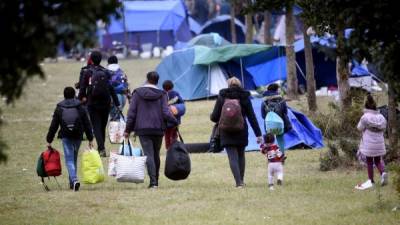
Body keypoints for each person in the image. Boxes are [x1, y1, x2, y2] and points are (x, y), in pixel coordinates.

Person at [124, 71, 178, 188]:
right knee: (155, 154)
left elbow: (131, 113)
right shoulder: (162, 94)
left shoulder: (137, 93)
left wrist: (127, 130)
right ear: (157, 81)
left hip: (143, 129)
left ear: (147, 79)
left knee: (148, 154)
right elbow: (166, 112)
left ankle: (153, 182)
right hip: (158, 129)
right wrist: (175, 122)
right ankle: (156, 181)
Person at [210, 77, 263, 188]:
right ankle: (242, 180)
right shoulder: (244, 96)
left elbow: (214, 117)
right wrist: (258, 134)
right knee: (241, 155)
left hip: (225, 130)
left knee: (232, 157)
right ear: (239, 84)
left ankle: (238, 183)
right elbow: (252, 117)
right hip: (241, 129)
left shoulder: (222, 96)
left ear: (228, 84)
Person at [46, 87, 94, 191]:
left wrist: (49, 140)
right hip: (78, 136)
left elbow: (54, 125)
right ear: (74, 95)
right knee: (74, 158)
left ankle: (74, 180)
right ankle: (72, 182)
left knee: (69, 159)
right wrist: (90, 138)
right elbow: (87, 123)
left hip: (66, 136)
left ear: (64, 95)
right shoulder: (80, 106)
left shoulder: (59, 107)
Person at [78, 51, 120, 157]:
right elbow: (110, 87)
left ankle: (101, 148)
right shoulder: (106, 71)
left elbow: (83, 87)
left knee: (96, 125)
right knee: (102, 126)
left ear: (91, 59)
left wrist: (80, 99)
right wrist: (116, 102)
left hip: (92, 102)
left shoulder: (87, 71)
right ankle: (102, 147)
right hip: (106, 102)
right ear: (101, 59)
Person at [355, 94, 388, 190]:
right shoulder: (381, 117)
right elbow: (384, 128)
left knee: (369, 161)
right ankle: (383, 172)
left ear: (365, 106)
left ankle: (371, 180)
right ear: (375, 107)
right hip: (379, 143)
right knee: (378, 160)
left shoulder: (365, 117)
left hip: (369, 144)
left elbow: (359, 128)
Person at [261, 83, 292, 159]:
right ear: (276, 90)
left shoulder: (264, 102)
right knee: (280, 140)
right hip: (279, 123)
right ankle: (281, 157)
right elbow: (285, 112)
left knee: (269, 141)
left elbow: (263, 115)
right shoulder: (281, 100)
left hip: (268, 124)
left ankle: (271, 157)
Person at [162, 80, 185, 150]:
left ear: (163, 88)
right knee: (174, 134)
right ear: (172, 86)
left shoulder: (163, 95)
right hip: (175, 119)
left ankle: (168, 148)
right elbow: (182, 103)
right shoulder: (176, 93)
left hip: (166, 120)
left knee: (167, 135)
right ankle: (174, 147)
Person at [107, 55, 130, 121]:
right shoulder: (122, 72)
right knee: (118, 116)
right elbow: (126, 85)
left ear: (108, 63)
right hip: (123, 97)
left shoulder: (107, 71)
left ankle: (117, 131)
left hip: (114, 97)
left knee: (115, 119)